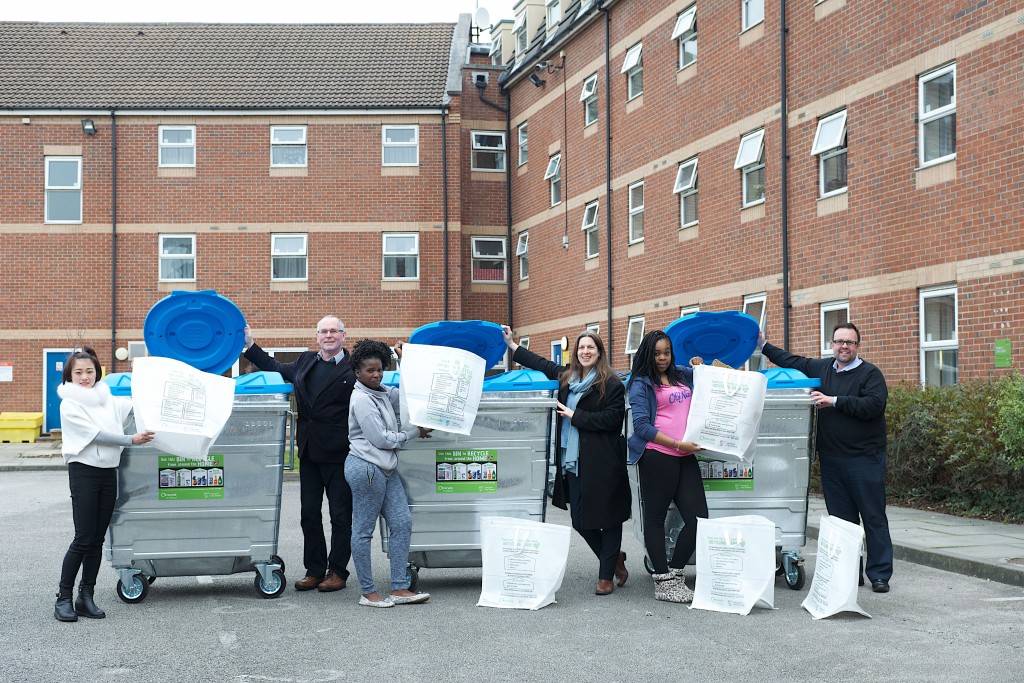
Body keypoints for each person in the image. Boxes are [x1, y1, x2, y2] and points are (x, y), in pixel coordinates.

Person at [758, 322, 893, 592]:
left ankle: (879, 575)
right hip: (832, 460)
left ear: (857, 346)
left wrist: (834, 401)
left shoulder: (870, 374)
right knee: (842, 522)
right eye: (839, 341)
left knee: (873, 516)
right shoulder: (822, 368)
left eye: (850, 342)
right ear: (832, 344)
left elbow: (874, 406)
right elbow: (792, 360)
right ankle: (850, 572)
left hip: (864, 459)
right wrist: (763, 346)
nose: (844, 346)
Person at [501, 326, 630, 596]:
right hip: (574, 461)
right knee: (581, 521)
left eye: (590, 348)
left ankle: (605, 577)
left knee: (610, 517)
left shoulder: (612, 384)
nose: (585, 352)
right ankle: (614, 558)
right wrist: (512, 346)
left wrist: (575, 415)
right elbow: (541, 363)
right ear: (575, 352)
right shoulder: (566, 378)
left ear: (599, 352)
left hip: (604, 462)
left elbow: (611, 420)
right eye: (581, 348)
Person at [244, 317, 355, 593]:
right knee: (308, 514)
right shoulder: (305, 362)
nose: (329, 335)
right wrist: (250, 345)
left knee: (341, 516)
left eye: (334, 331)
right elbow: (276, 367)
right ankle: (315, 570)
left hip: (341, 452)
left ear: (343, 336)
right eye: (323, 332)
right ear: (317, 336)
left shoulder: (353, 368)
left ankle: (338, 571)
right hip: (308, 451)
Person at [55, 346, 155, 622]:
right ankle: (63, 598)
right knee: (83, 538)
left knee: (97, 539)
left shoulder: (106, 398)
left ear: (97, 372)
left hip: (108, 472)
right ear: (70, 375)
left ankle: (85, 597)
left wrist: (145, 375)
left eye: (89, 371)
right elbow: (95, 434)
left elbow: (134, 403)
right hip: (84, 472)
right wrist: (130, 440)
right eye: (78, 372)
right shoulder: (70, 403)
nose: (84, 377)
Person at [345, 339, 432, 607]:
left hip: (386, 468)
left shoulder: (382, 391)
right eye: (370, 371)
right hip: (366, 468)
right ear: (357, 373)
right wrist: (415, 432)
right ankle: (368, 592)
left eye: (380, 369)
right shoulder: (362, 399)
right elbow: (381, 439)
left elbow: (408, 395)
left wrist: (406, 361)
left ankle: (398, 588)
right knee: (363, 530)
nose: (376, 374)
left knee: (402, 522)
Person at [627, 330, 706, 604]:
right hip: (658, 455)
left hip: (684, 456)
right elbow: (642, 427)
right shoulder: (641, 383)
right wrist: (677, 443)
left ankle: (676, 572)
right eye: (657, 353)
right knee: (656, 518)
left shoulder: (680, 374)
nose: (662, 358)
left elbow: (709, 377)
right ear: (648, 354)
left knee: (699, 519)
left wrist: (699, 364)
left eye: (667, 352)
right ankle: (663, 580)